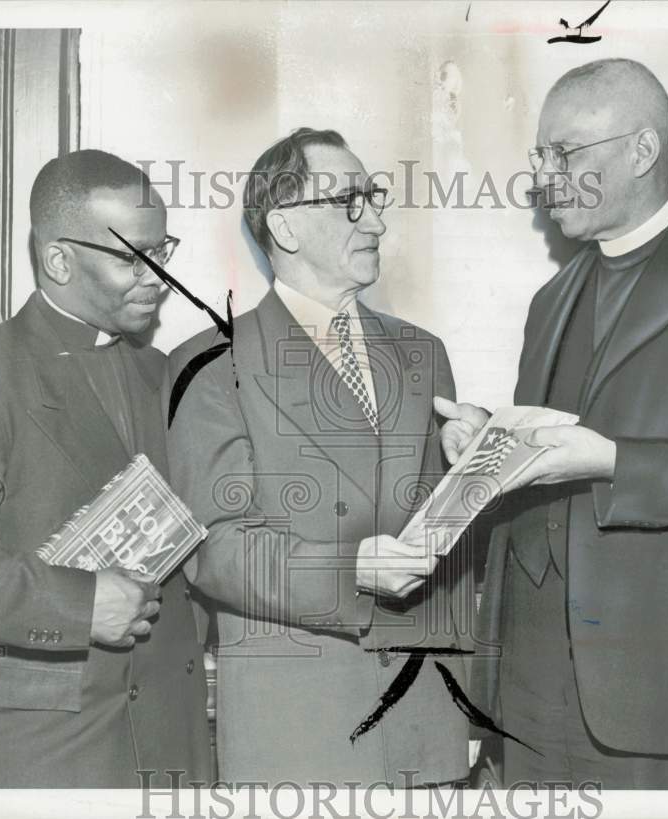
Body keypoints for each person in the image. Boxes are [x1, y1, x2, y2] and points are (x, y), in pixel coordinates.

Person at [438, 59, 668, 788]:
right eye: (539, 156)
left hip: (662, 693)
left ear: (643, 150)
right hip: (529, 686)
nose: (544, 178)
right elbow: (549, 453)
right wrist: (491, 440)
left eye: (564, 154)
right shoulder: (551, 298)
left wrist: (613, 459)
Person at [0, 149, 212, 788]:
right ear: (58, 259)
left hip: (169, 751)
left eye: (160, 250)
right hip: (37, 754)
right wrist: (81, 606)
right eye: (129, 257)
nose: (157, 277)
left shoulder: (164, 377)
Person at [168, 128, 470, 786]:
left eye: (376, 197)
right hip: (299, 739)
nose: (378, 220)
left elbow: (446, 543)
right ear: (286, 225)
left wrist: (478, 466)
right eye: (350, 201)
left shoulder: (425, 354)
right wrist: (352, 569)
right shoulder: (212, 366)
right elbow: (215, 547)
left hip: (426, 731)